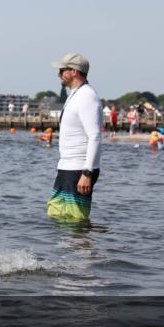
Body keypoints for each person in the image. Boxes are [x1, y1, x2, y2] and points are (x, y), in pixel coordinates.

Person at [47, 53, 102, 221]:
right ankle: (63, 248)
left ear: (74, 72)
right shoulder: (76, 94)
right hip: (67, 166)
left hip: (79, 169)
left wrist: (87, 172)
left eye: (62, 70)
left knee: (75, 221)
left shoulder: (87, 96)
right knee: (56, 214)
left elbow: (95, 136)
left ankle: (83, 248)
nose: (58, 74)